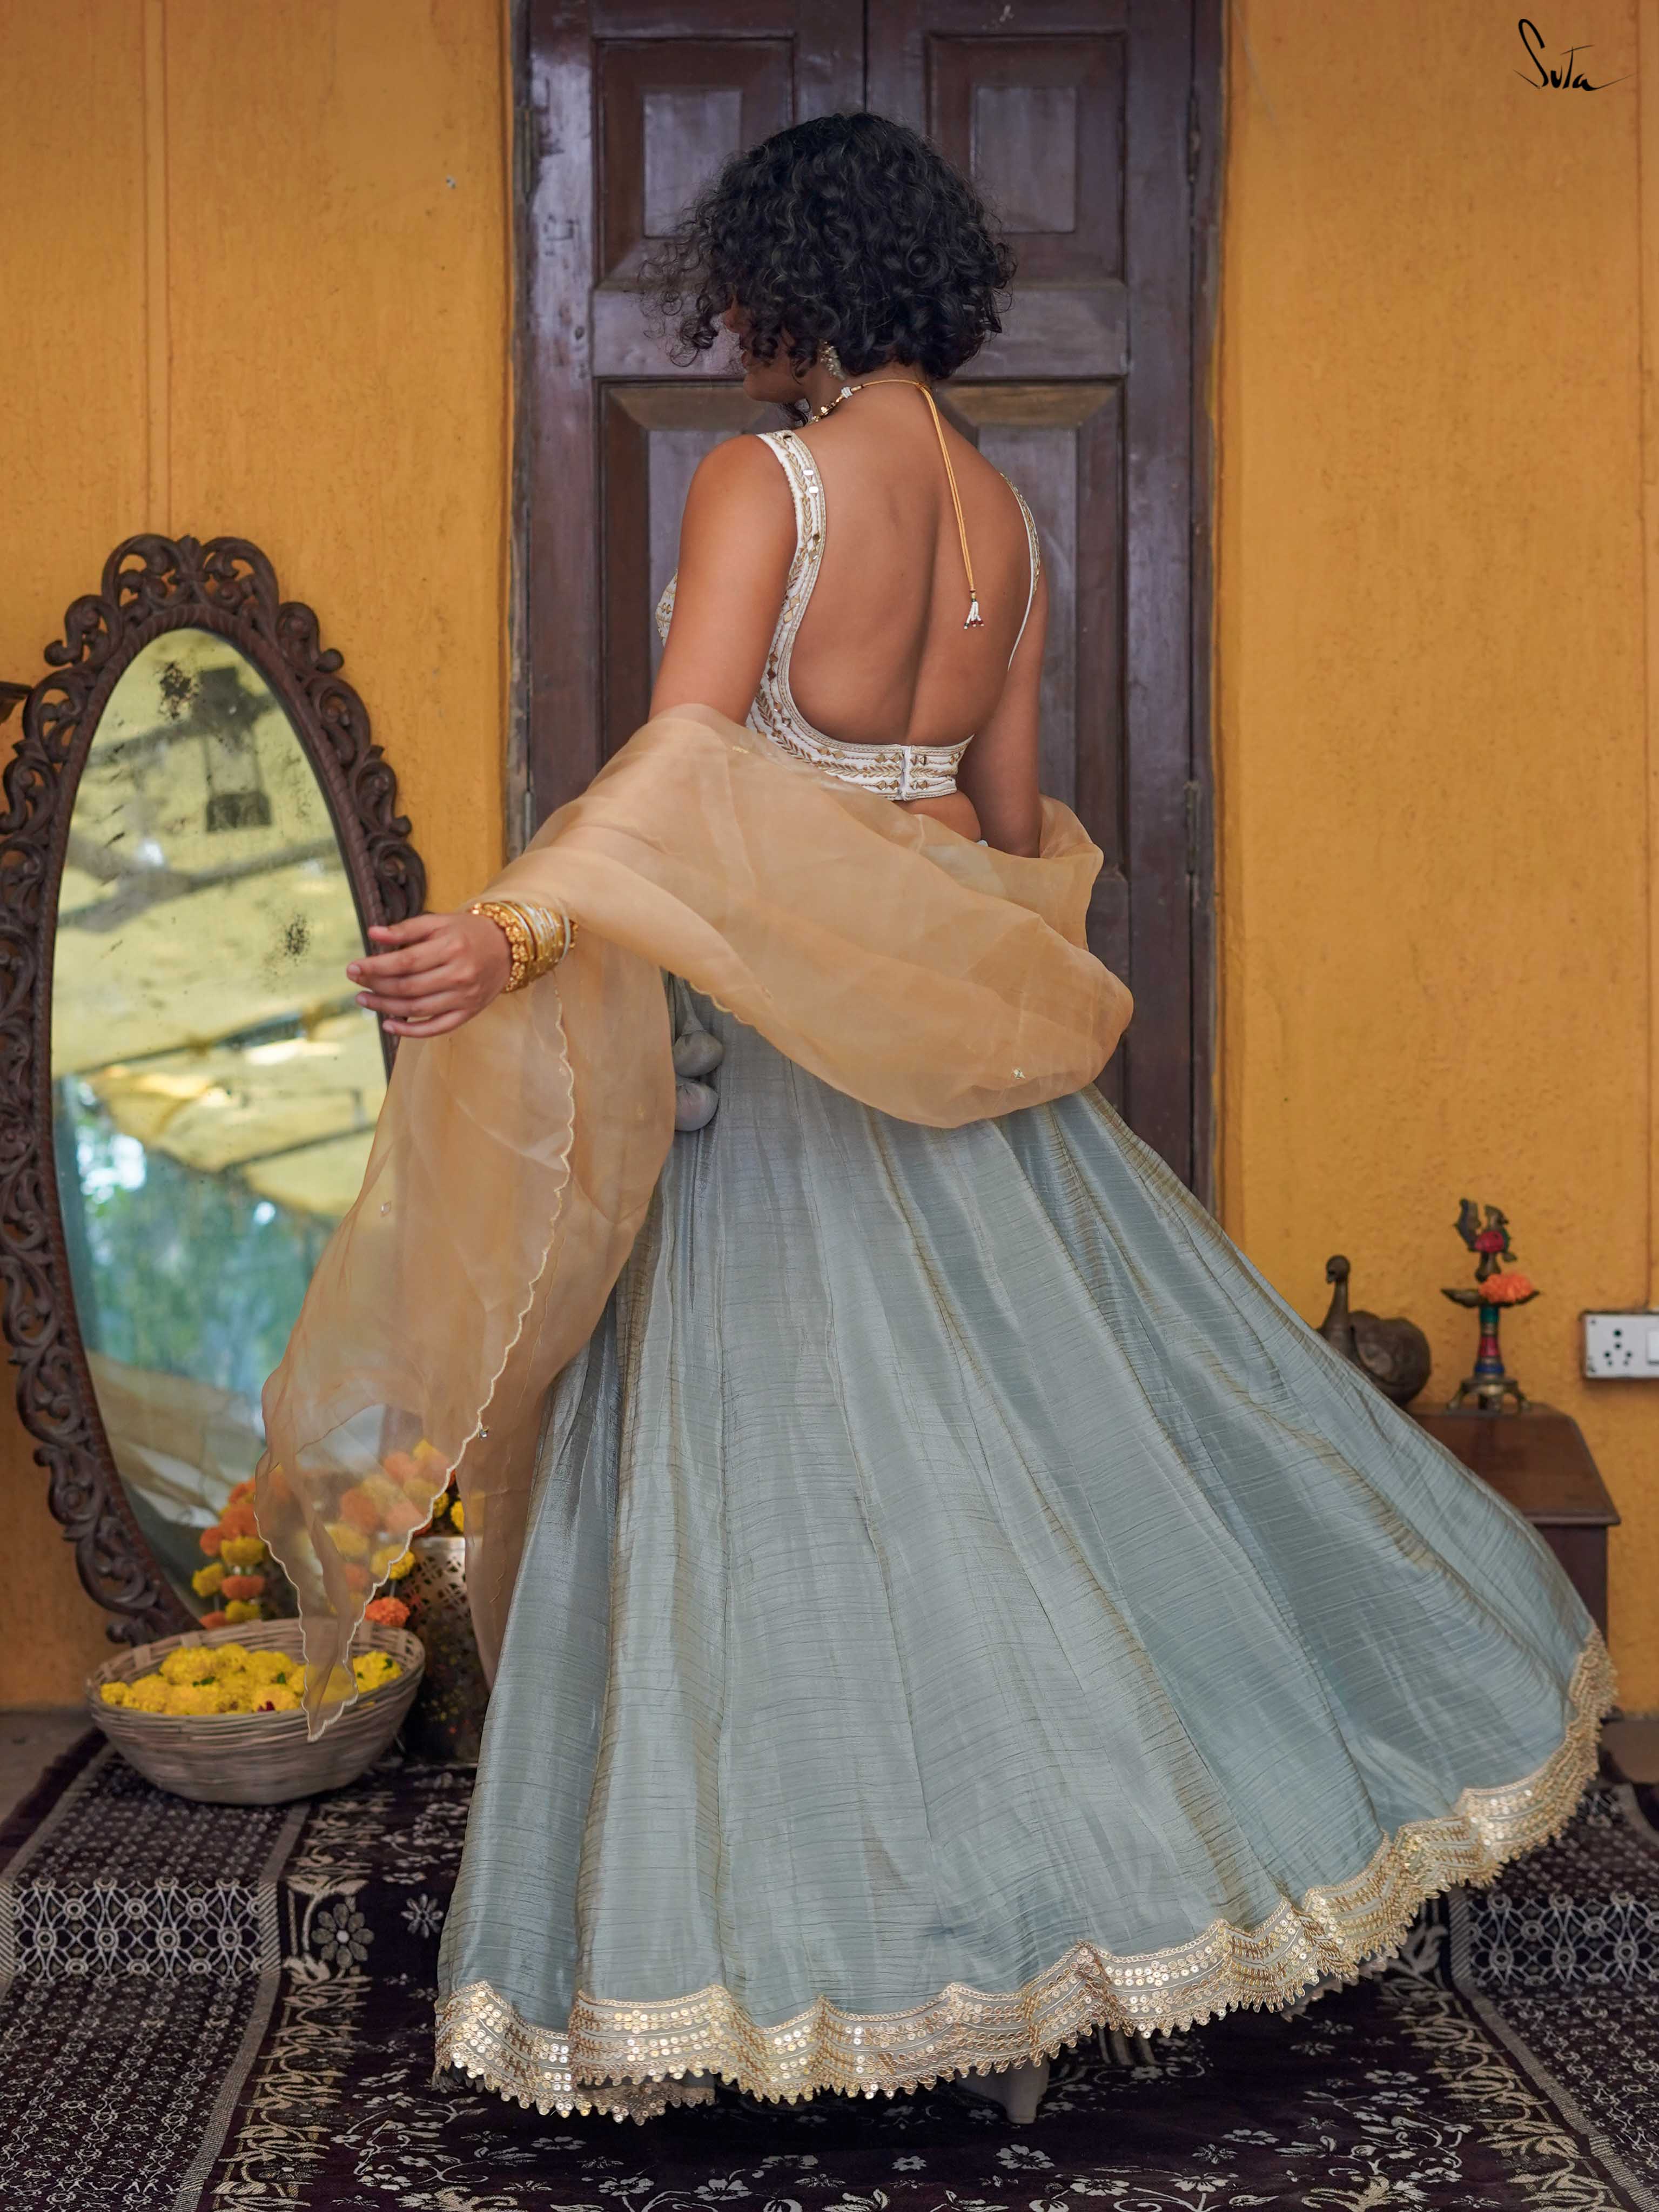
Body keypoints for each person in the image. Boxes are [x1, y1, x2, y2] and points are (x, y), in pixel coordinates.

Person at [261, 114, 1611, 2129]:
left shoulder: (771, 478)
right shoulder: (1005, 523)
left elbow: (683, 771)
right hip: (950, 1082)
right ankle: (1050, 1955)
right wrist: (911, 958)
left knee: (792, 1509)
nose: (722, 318)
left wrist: (519, 930)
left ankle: (809, 1969)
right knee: (1026, 1500)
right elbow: (1001, 831)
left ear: (791, 279)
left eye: (736, 279)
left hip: (779, 1083)